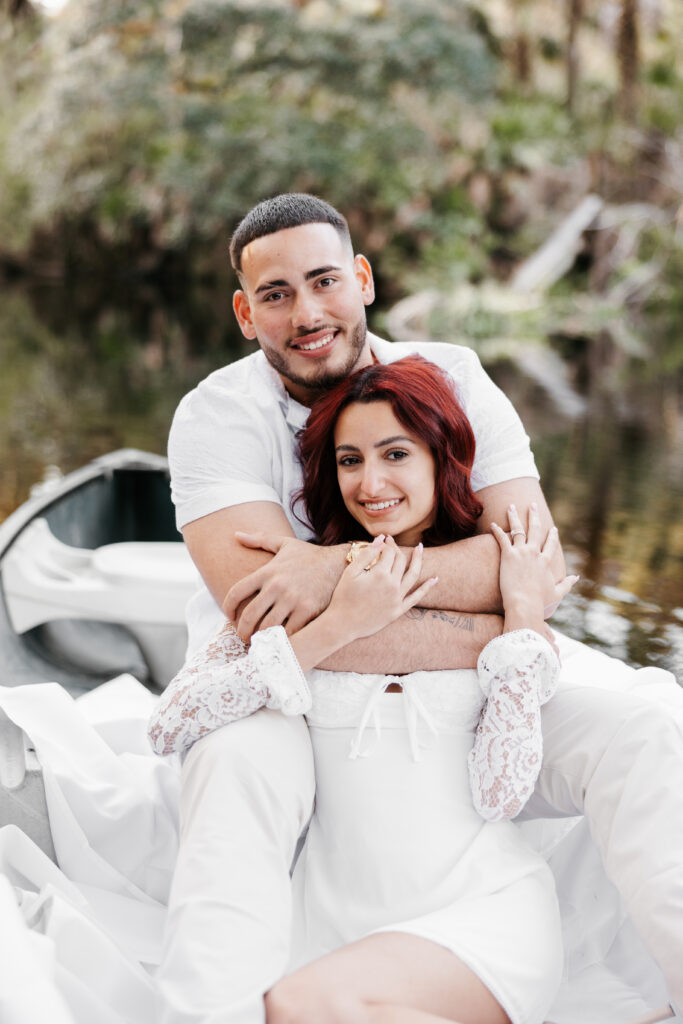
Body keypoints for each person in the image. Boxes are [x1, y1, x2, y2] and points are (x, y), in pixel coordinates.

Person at [156, 193, 683, 1024]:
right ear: (243, 311)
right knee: (237, 758)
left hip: (470, 676)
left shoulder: (455, 378)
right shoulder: (217, 416)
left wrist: (326, 569)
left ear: (362, 279)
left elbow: (528, 563)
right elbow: (261, 618)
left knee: (648, 724)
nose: (306, 312)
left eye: (324, 280)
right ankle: (211, 1010)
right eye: (276, 294)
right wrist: (498, 613)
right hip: (292, 687)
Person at [150, 356, 574, 1023]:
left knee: (299, 1008)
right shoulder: (299, 592)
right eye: (349, 460)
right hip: (324, 922)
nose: (370, 483)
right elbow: (171, 724)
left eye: (395, 454)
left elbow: (503, 790)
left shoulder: (497, 611)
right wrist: (340, 625)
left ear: (443, 460)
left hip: (479, 915)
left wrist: (522, 623)